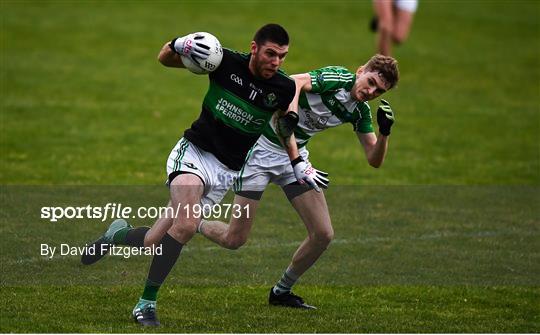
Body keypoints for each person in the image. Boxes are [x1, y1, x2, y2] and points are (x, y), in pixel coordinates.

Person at [80, 24, 320, 326]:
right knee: (186, 224)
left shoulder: (283, 88)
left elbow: (284, 127)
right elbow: (164, 59)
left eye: (282, 57)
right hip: (193, 153)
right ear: (254, 48)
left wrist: (297, 162)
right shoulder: (224, 61)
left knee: (155, 241)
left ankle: (117, 235)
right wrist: (179, 43)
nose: (276, 62)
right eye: (271, 54)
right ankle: (145, 304)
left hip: (225, 172)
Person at [199, 54, 399, 309]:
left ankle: (281, 291)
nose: (371, 91)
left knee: (323, 234)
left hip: (295, 162)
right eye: (370, 82)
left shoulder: (360, 112)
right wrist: (290, 114)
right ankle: (195, 222)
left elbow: (374, 159)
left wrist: (384, 133)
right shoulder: (337, 78)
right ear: (360, 71)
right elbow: (294, 82)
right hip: (259, 154)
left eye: (378, 91)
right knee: (234, 239)